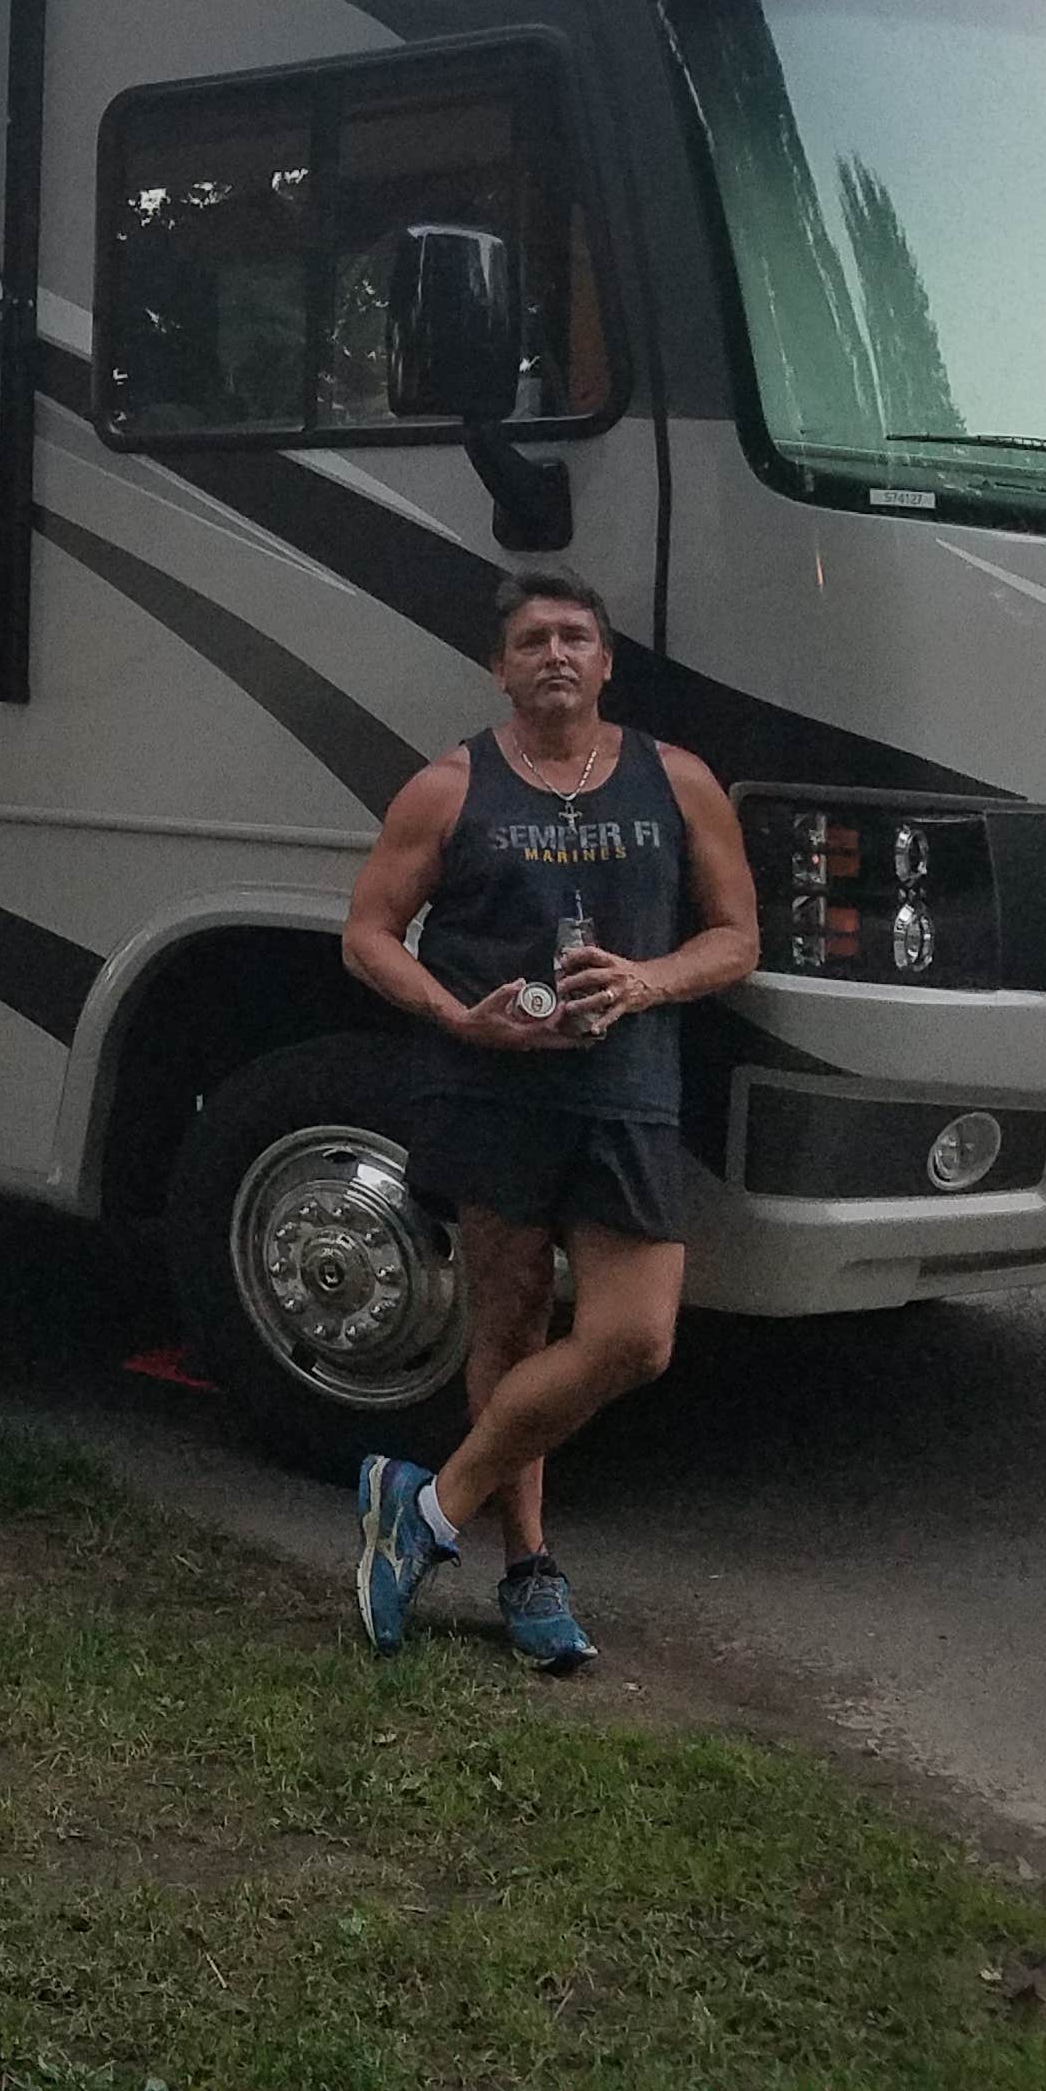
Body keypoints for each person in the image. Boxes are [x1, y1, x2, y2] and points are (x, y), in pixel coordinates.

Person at [336, 564, 756, 1669]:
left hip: (628, 1096)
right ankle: (527, 1572)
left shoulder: (679, 782)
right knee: (511, 1329)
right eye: (533, 642)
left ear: (607, 662)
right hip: (490, 1092)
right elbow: (368, 933)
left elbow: (737, 938)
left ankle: (423, 1512)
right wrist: (455, 1019)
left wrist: (647, 983)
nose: (556, 655)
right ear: (500, 668)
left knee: (635, 1338)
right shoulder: (449, 788)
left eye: (575, 637)